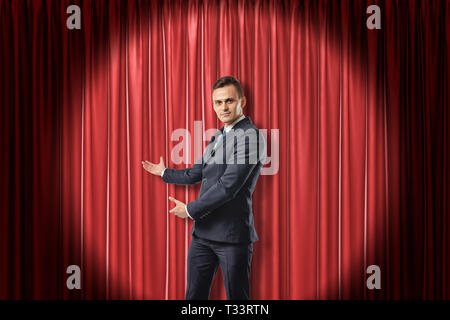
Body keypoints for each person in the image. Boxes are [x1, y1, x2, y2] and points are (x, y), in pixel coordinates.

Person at [142, 76, 265, 300]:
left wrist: (190, 210)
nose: (223, 107)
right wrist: (164, 172)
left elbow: (229, 186)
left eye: (229, 100)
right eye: (218, 102)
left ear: (242, 101)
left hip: (232, 237)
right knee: (194, 298)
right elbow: (196, 173)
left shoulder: (251, 137)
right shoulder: (219, 136)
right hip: (202, 235)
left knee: (237, 301)